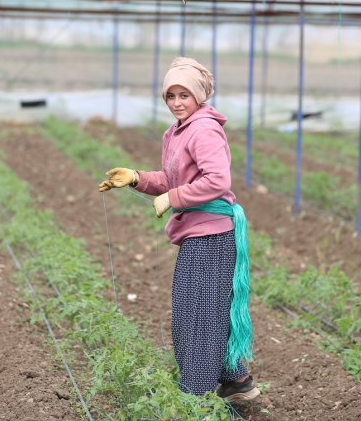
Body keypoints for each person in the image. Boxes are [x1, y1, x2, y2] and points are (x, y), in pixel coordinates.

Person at [98, 57, 259, 403]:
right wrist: (137, 178)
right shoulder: (175, 132)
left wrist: (173, 198)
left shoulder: (204, 129)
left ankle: (196, 397)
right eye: (170, 96)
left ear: (198, 96)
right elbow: (174, 178)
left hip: (212, 235)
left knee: (197, 316)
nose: (176, 102)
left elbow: (217, 180)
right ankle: (236, 381)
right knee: (200, 311)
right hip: (197, 234)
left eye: (183, 95)